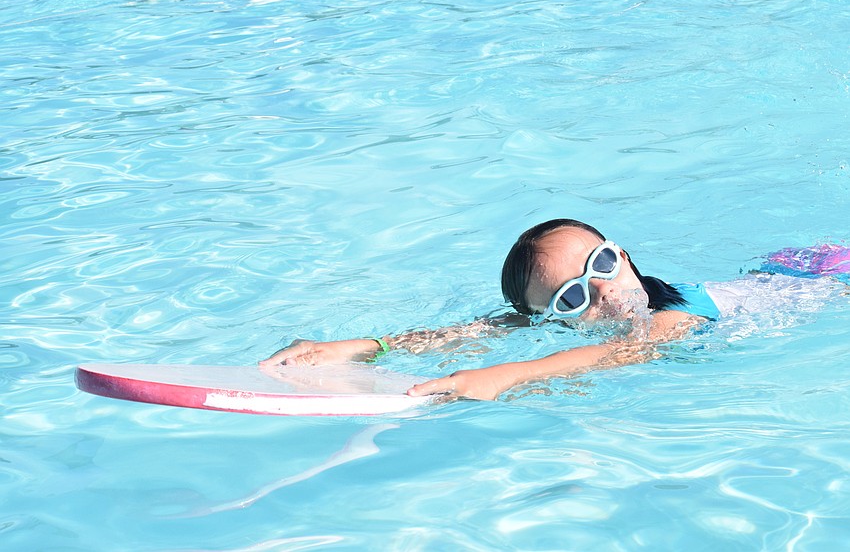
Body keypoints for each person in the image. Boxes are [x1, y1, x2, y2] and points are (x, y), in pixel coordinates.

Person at [260, 219, 850, 400]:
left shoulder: (676, 317)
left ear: (622, 254)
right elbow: (486, 328)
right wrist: (367, 347)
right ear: (554, 317)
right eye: (572, 298)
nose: (602, 291)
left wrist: (506, 375)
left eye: (601, 264)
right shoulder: (555, 316)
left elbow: (627, 352)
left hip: (827, 275)